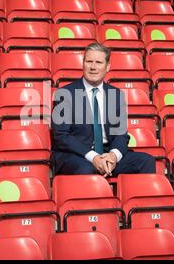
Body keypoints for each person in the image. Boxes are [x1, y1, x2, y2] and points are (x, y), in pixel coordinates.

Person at [51, 43, 156, 177]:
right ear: (83, 64)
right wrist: (94, 157)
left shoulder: (116, 95)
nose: (93, 67)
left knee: (145, 161)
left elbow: (121, 134)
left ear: (107, 67)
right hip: (77, 155)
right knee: (87, 168)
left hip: (107, 154)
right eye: (89, 61)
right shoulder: (65, 94)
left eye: (98, 62)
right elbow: (62, 136)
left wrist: (113, 156)